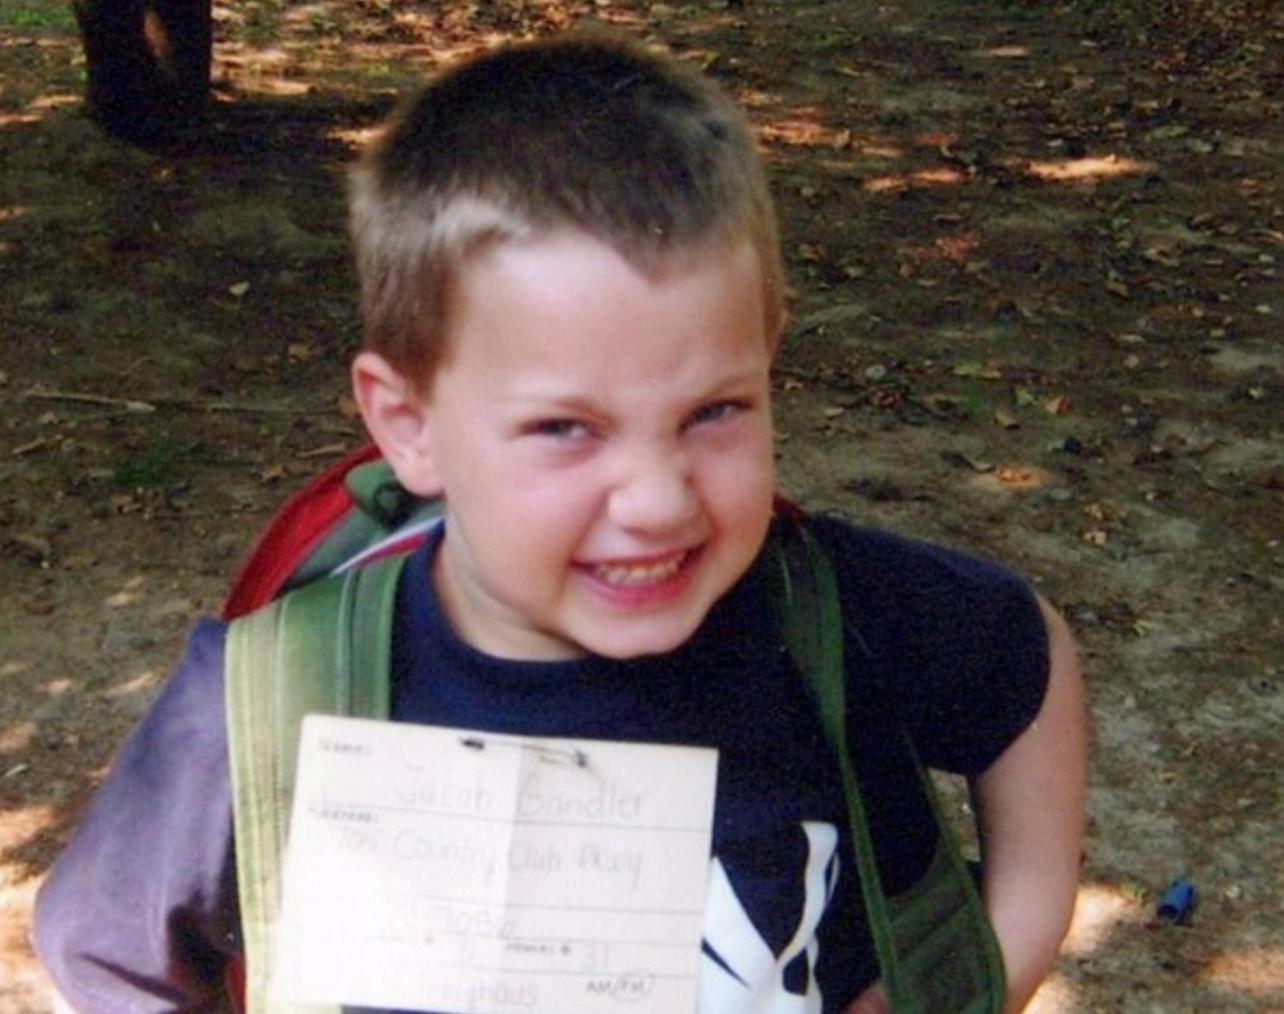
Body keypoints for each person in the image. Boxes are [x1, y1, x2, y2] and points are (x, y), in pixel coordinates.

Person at [33, 33, 1085, 1014]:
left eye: (715, 411)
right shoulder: (268, 704)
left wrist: (984, 964)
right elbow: (102, 947)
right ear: (410, 426)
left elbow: (1021, 655)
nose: (659, 500)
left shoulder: (831, 612)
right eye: (565, 429)